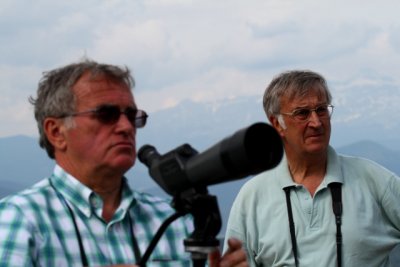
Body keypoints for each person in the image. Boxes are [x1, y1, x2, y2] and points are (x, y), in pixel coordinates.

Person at [0, 59, 248, 267]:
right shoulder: (19, 219)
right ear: (56, 132)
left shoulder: (171, 219)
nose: (126, 127)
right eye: (105, 115)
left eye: (132, 116)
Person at [224, 70, 400, 266]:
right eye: (302, 113)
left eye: (322, 109)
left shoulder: (373, 180)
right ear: (277, 124)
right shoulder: (252, 197)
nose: (316, 122)